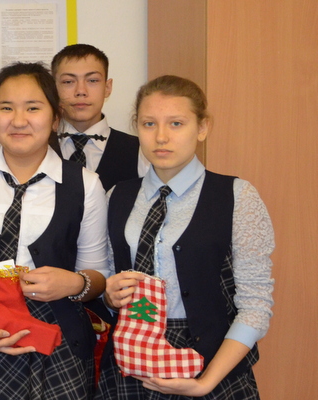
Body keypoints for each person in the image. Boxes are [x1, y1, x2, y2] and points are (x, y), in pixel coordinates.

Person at [0, 62, 110, 399]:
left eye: (33, 108)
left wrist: (75, 283)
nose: (18, 120)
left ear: (55, 118)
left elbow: (99, 275)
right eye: (6, 108)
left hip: (59, 344)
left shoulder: (85, 185)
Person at [97, 75, 274, 399]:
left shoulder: (236, 196)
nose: (161, 137)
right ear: (137, 127)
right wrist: (110, 295)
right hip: (132, 361)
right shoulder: (116, 196)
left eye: (176, 123)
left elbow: (256, 304)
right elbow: (107, 281)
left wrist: (207, 381)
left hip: (213, 367)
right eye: (149, 124)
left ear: (202, 127)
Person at [51, 44, 149, 190]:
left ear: (107, 87)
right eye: (68, 82)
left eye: (92, 80)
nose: (81, 91)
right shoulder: (37, 146)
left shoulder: (140, 150)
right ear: (53, 88)